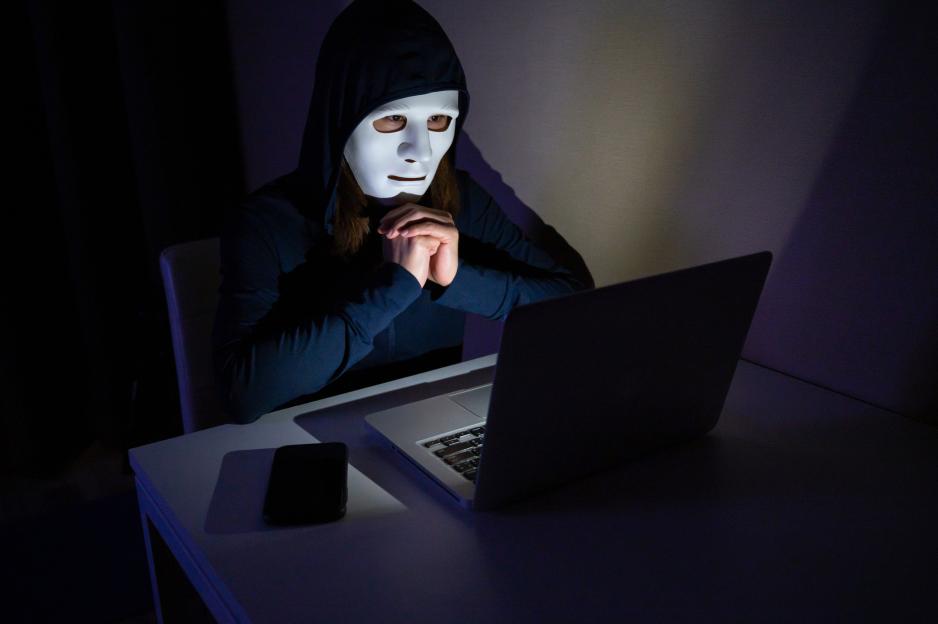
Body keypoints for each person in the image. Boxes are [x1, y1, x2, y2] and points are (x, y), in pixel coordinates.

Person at [212, 0, 592, 424]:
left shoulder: (460, 199)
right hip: (306, 443)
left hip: (429, 427)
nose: (420, 151)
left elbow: (575, 303)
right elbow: (241, 394)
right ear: (340, 119)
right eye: (392, 119)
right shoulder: (265, 223)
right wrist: (395, 288)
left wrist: (457, 278)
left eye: (437, 122)